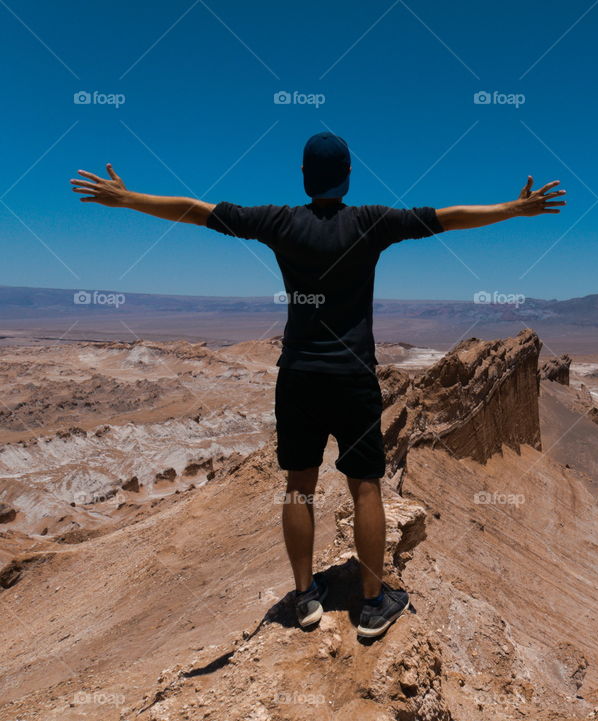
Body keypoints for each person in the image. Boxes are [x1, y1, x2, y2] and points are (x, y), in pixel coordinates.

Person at [71, 131, 566, 637]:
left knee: (298, 487)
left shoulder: (278, 222)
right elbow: (448, 218)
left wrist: (128, 199)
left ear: (304, 176)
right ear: (348, 175)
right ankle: (372, 604)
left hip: (299, 377)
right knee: (365, 487)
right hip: (352, 378)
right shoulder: (372, 222)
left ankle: (306, 596)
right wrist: (513, 209)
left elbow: (196, 210)